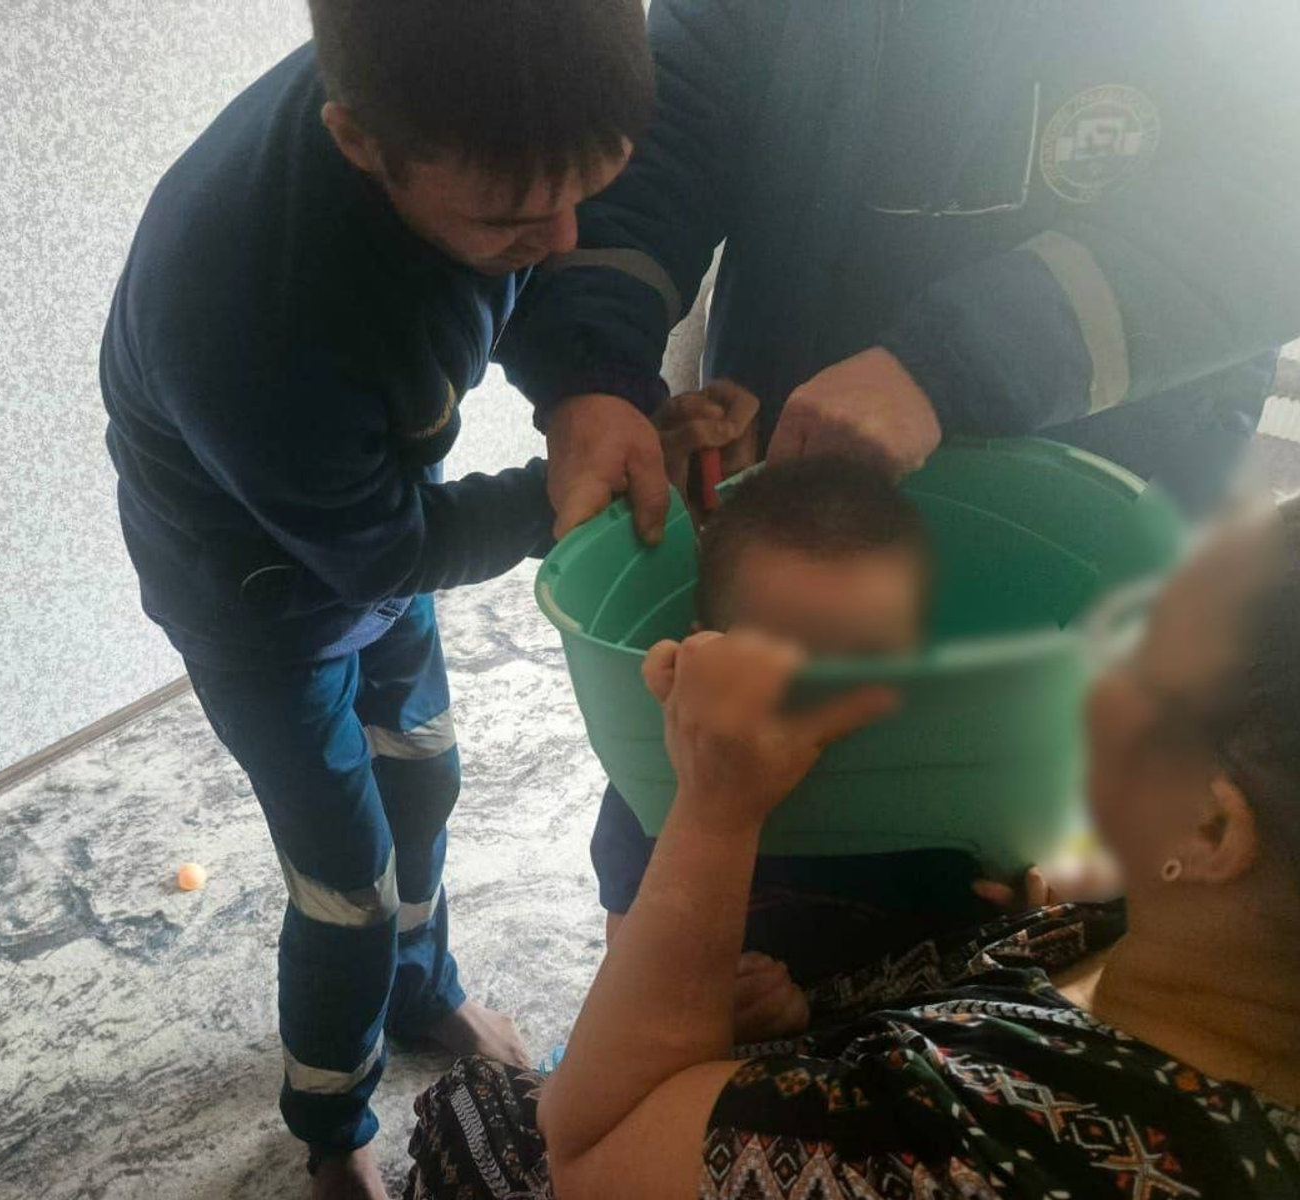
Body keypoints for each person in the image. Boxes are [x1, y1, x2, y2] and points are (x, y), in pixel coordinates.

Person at [499, 0, 1300, 974]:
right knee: (700, 855)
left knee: (1032, 869)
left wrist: (959, 361)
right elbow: (668, 124)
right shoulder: (683, 757)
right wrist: (592, 367)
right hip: (788, 466)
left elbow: (1275, 197)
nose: (847, 707)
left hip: (1111, 490)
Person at [98, 3, 657, 1195]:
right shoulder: (246, 319)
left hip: (373, 538)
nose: (562, 239)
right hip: (263, 607)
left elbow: (535, 273)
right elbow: (383, 550)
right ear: (358, 141)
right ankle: (330, 1125)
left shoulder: (480, 85)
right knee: (345, 883)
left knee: (423, 775)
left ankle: (422, 991)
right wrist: (563, 494)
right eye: (510, 219)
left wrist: (597, 390)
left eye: (587, 192)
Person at [404, 496, 1300, 1199]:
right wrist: (1073, 926)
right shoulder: (1198, 962)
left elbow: (588, 1152)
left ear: (1208, 828)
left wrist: (713, 813)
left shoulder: (973, 1152)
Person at [599, 452, 966, 1034]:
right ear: (706, 655)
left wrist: (1029, 910)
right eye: (792, 662)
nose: (832, 697)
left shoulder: (960, 766)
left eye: (871, 659)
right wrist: (719, 1006)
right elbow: (628, 962)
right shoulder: (662, 781)